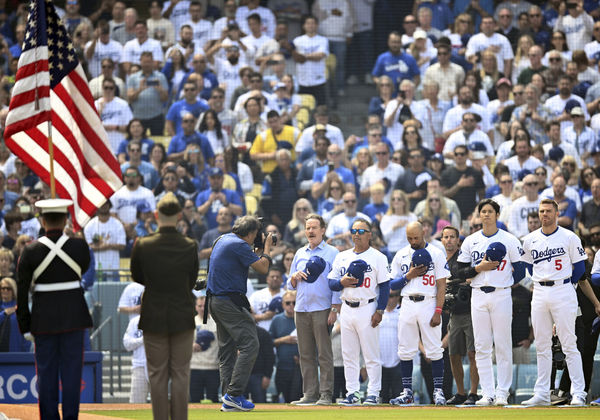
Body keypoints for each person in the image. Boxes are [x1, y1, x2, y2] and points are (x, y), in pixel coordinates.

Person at [16, 198, 92, 420]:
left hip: (43, 322)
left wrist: (25, 324)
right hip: (74, 320)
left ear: (42, 220)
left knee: (47, 376)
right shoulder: (79, 246)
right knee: (71, 376)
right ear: (66, 219)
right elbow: (84, 267)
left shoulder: (30, 251)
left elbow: (22, 290)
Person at [130, 192, 199, 420]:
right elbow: (191, 279)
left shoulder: (144, 244)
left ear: (156, 214)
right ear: (179, 215)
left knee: (157, 375)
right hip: (182, 316)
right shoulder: (189, 245)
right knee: (181, 375)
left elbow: (137, 276)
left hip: (153, 316)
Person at [454, 199, 525, 406]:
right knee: (482, 346)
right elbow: (459, 272)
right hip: (478, 294)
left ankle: (503, 392)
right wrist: (479, 268)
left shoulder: (509, 239)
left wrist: (507, 282)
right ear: (479, 215)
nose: (486, 215)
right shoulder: (470, 240)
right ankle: (488, 393)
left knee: (502, 345)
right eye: (483, 211)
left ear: (497, 214)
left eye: (490, 211)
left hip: (501, 294)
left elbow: (520, 270)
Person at [521, 199, 588, 406]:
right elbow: (530, 268)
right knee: (541, 344)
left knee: (569, 343)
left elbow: (579, 269)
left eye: (549, 211)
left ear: (557, 213)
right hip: (540, 291)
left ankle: (578, 393)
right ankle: (541, 393)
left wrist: (565, 284)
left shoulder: (569, 236)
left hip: (563, 289)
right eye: (541, 211)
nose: (544, 214)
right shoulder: (529, 239)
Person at [206, 215, 273, 412]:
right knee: (250, 344)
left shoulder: (223, 239)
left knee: (227, 351)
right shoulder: (239, 245)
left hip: (215, 302)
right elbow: (262, 268)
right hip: (229, 302)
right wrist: (267, 248)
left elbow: (242, 261)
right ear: (252, 233)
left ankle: (229, 398)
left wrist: (258, 249)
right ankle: (234, 395)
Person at [328, 218, 390, 406]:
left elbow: (385, 287)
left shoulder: (378, 257)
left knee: (371, 354)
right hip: (347, 306)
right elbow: (331, 283)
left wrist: (380, 310)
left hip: (368, 305)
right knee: (349, 354)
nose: (357, 234)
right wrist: (341, 283)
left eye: (361, 231)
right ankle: (353, 392)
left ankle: (373, 392)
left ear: (370, 234)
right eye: (354, 230)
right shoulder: (342, 256)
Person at [389, 221, 449, 406]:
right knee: (405, 350)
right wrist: (409, 275)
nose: (413, 241)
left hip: (429, 302)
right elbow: (391, 285)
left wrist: (438, 311)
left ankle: (439, 391)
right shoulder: (401, 254)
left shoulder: (437, 253)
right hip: (407, 302)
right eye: (409, 238)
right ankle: (407, 392)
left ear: (423, 232)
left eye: (416, 237)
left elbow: (441, 286)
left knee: (434, 349)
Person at [287, 213, 339, 405]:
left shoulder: (333, 253)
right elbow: (289, 284)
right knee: (306, 354)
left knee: (324, 354)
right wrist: (294, 277)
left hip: (322, 308)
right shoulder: (300, 253)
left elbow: (336, 283)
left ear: (323, 230)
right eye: (307, 227)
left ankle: (326, 394)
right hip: (300, 308)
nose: (310, 231)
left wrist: (334, 308)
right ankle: (309, 394)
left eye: (314, 227)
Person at [440, 226, 479, 405]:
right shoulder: (441, 261)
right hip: (454, 313)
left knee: (472, 353)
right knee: (453, 354)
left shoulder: (463, 259)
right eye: (446, 237)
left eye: (452, 237)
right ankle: (461, 393)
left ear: (458, 240)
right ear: (441, 240)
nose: (449, 240)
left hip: (470, 310)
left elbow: (471, 278)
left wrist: (454, 282)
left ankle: (473, 393)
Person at [190, 296, 219, 403]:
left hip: (213, 367)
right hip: (194, 367)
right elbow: (180, 342)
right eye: (200, 306)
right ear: (195, 307)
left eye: (205, 306)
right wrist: (190, 345)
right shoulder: (190, 322)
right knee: (194, 400)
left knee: (214, 400)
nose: (203, 308)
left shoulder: (217, 323)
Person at [122, 314, 149, 403]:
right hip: (139, 366)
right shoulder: (135, 321)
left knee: (161, 405)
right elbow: (127, 344)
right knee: (136, 403)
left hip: (161, 367)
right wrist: (142, 340)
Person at [0, 277, 31, 352]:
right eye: (3, 288)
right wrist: (4, 314)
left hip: (16, 353)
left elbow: (26, 334)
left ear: (13, 290)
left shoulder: (20, 308)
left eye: (8, 288)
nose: (5, 291)